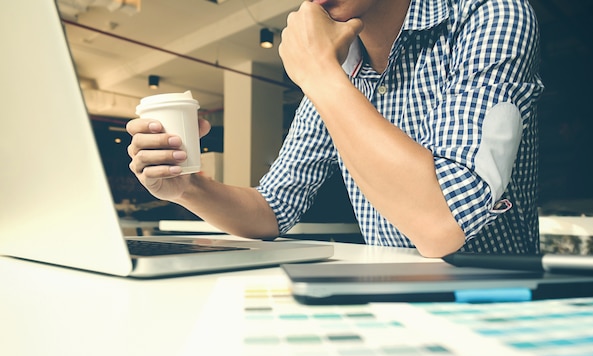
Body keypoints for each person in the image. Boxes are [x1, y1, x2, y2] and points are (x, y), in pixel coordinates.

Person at [127, 0, 544, 257]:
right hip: (394, 300)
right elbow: (272, 209)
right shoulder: (337, 68)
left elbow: (442, 227)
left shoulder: (489, 13)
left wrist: (321, 75)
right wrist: (187, 188)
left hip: (498, 297)